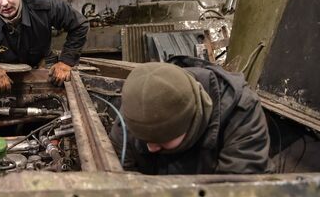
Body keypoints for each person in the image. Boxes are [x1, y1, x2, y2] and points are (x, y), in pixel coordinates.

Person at [109, 56, 272, 175]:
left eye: (161, 141)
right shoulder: (137, 107)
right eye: (145, 140)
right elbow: (120, 178)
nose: (151, 148)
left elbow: (239, 191)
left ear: (192, 121)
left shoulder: (240, 112)